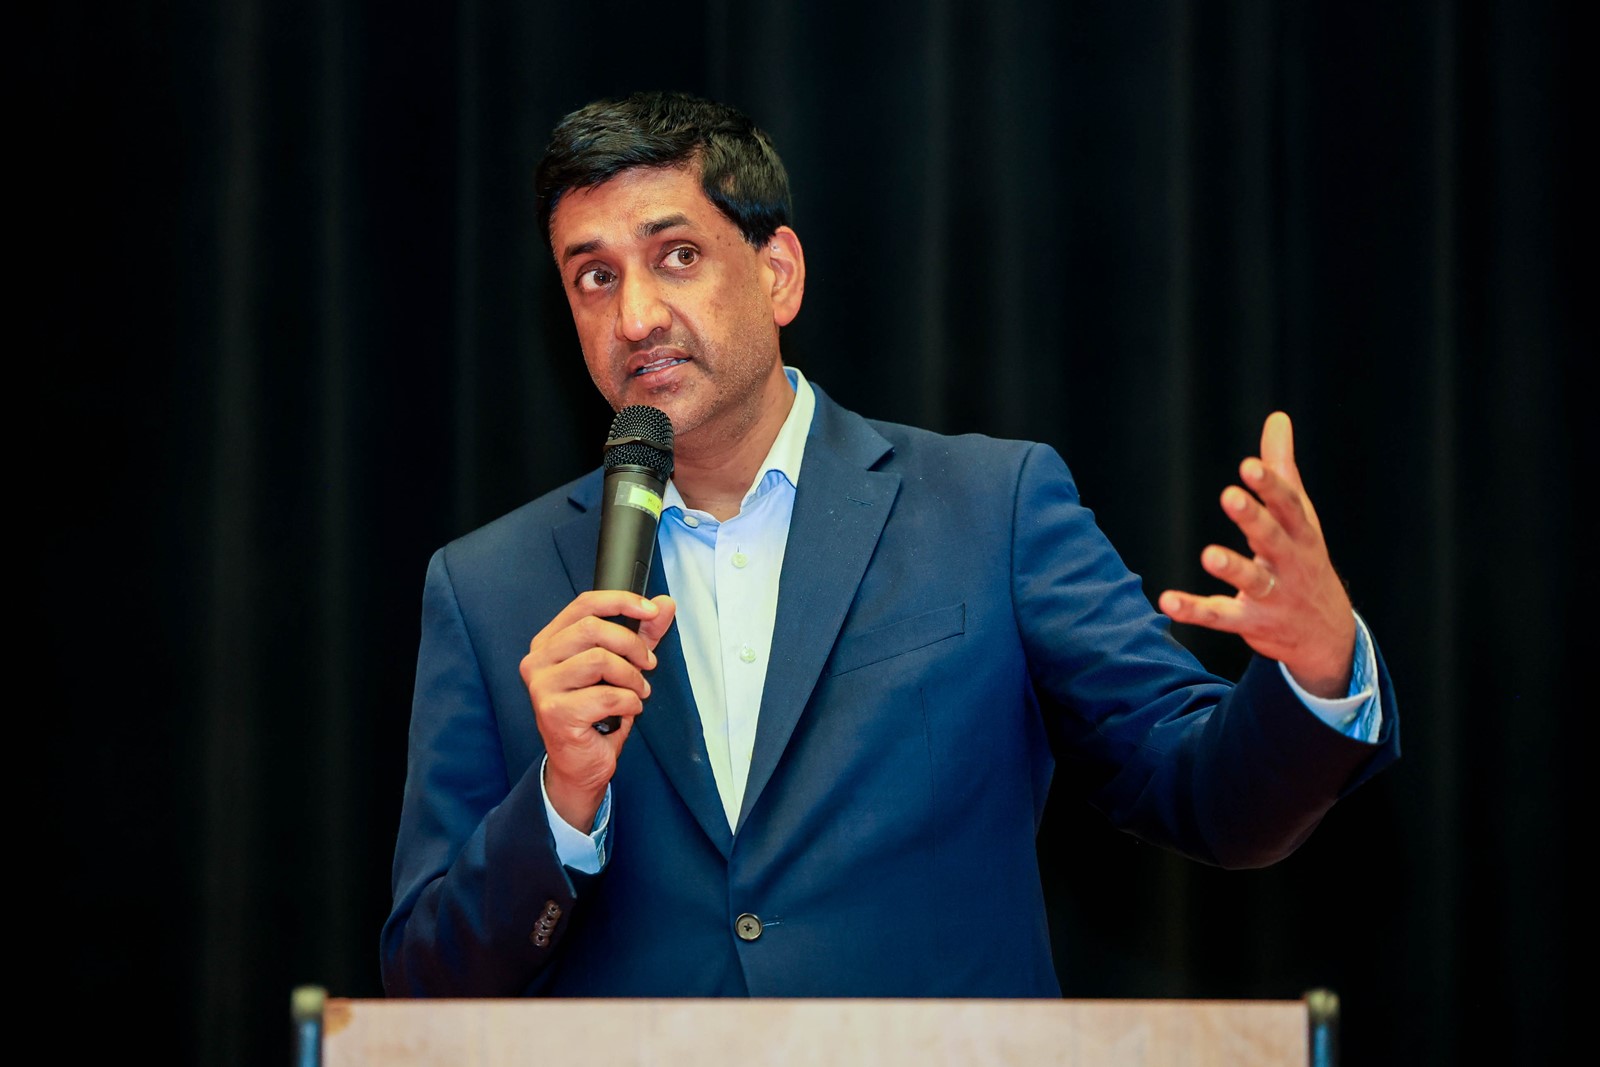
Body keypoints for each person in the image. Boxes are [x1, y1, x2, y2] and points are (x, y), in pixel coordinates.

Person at [380, 90, 1398, 998]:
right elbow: (426, 980)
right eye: (594, 276)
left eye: (676, 255)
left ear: (778, 273)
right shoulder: (488, 586)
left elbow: (1202, 793)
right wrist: (560, 801)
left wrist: (1316, 669)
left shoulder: (989, 509)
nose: (636, 314)